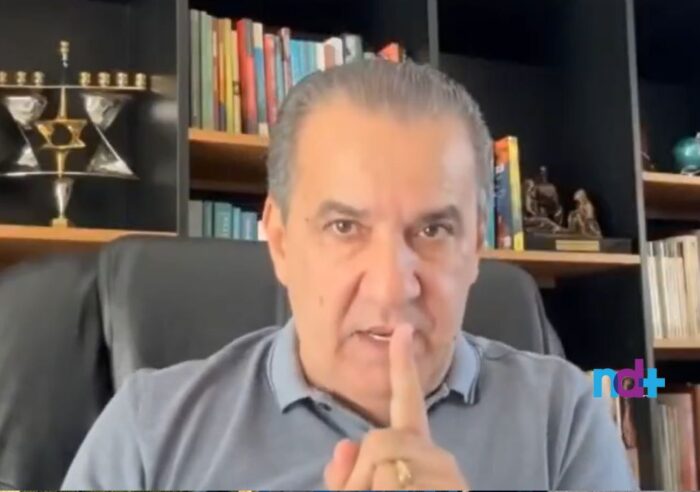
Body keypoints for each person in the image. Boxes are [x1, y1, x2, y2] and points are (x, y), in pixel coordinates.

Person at [61, 60, 637, 490]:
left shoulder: (564, 420)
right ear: (280, 241)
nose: (391, 288)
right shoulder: (147, 432)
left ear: (475, 249)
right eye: (345, 227)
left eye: (433, 230)